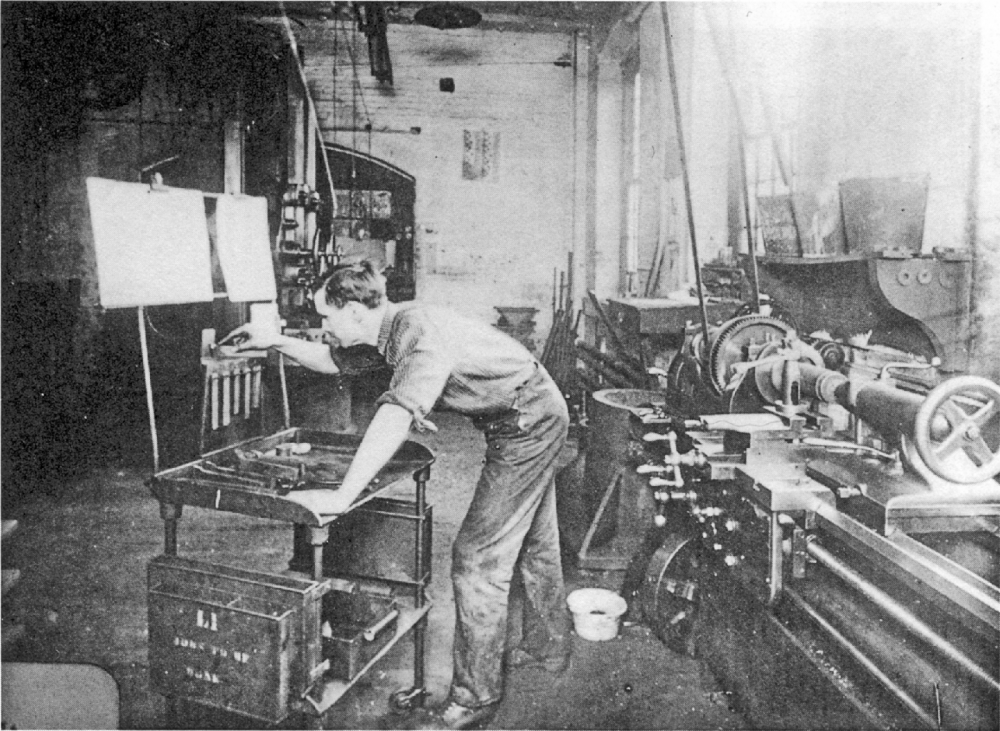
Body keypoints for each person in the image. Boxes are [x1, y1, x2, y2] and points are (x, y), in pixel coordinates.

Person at [223, 261, 571, 729]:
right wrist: (275, 342)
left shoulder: (416, 331)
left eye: (327, 317)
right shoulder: (387, 329)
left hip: (528, 425)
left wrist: (344, 495)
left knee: (476, 559)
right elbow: (331, 362)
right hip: (529, 412)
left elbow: (398, 413)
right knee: (535, 541)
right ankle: (550, 646)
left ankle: (475, 699)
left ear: (352, 310)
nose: (324, 328)